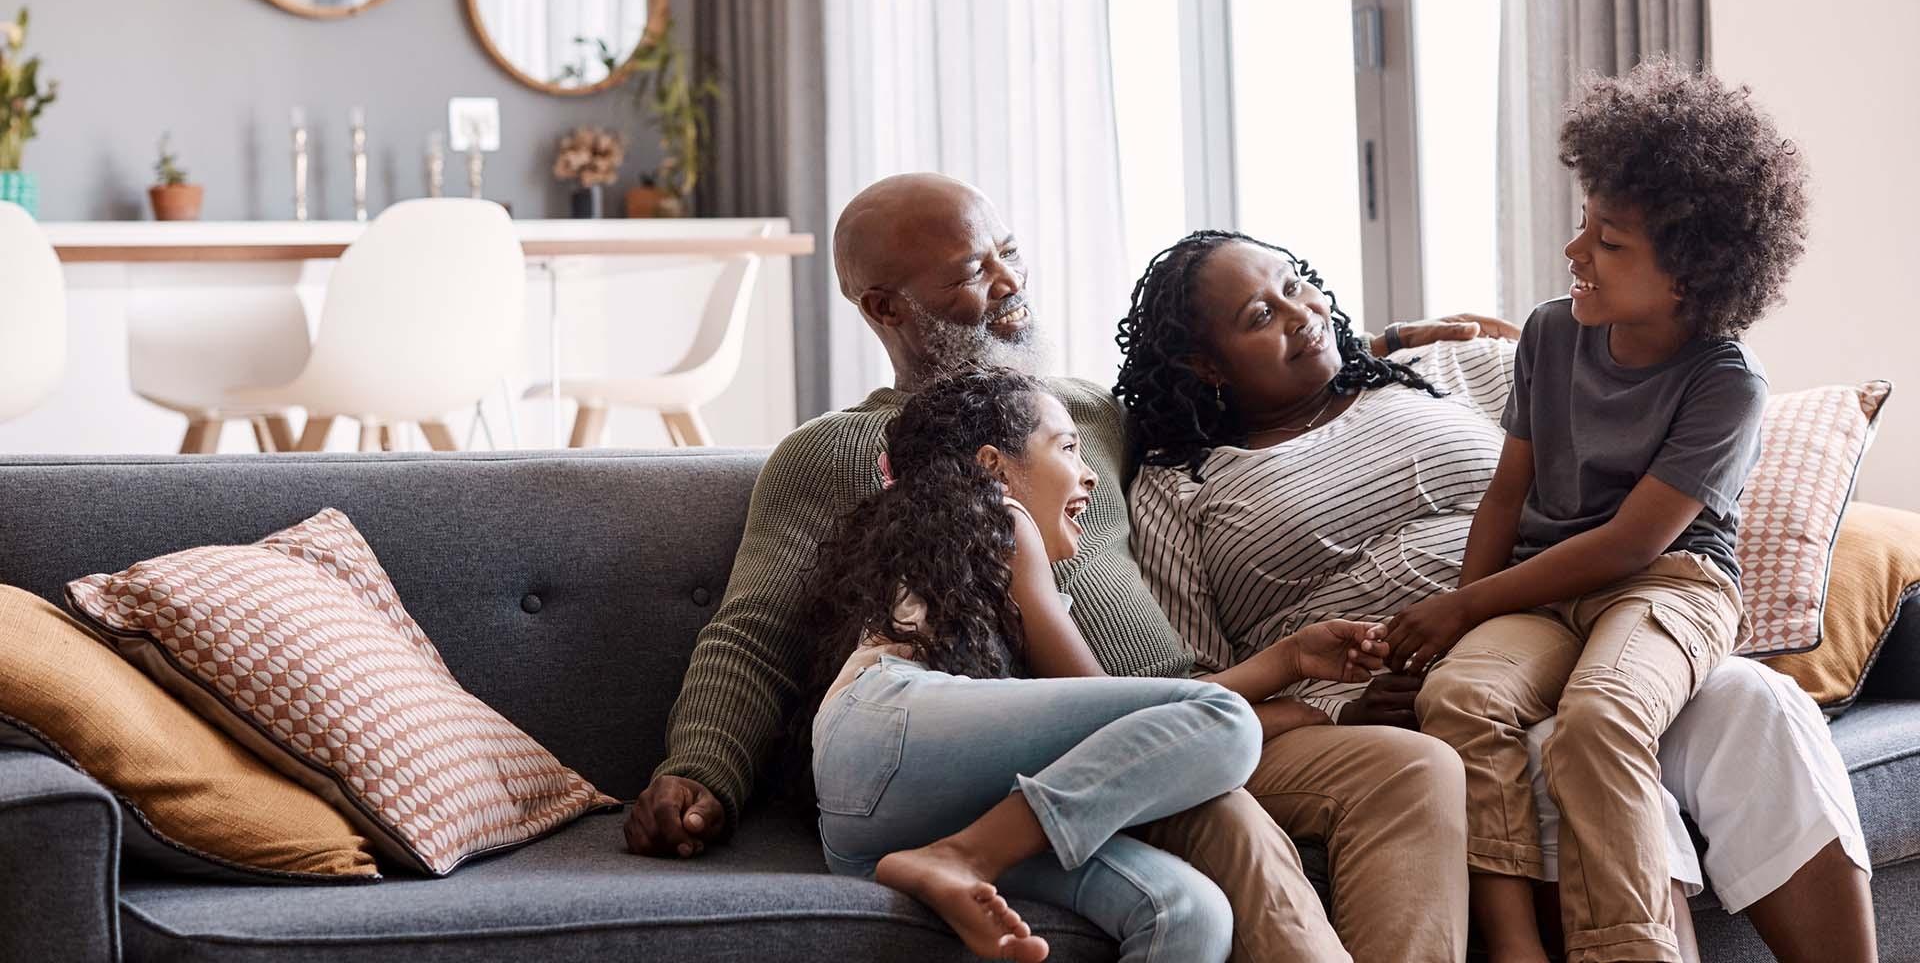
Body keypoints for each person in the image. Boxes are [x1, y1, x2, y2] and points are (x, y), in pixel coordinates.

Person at [627, 171, 1485, 962]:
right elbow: (752, 635)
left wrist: (1382, 339)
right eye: (973, 270)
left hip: (1181, 713)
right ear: (886, 307)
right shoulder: (830, 452)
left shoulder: (1087, 412)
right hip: (1027, 756)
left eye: (1011, 254)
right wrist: (700, 767)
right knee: (1220, 809)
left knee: (1413, 769)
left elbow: (1212, 372)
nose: (1010, 284)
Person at [1117, 224, 1870, 963]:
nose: (1300, 315)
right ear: (1202, 364)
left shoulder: (1437, 374)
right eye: (1260, 318)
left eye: (1296, 285)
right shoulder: (1180, 483)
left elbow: (1586, 358)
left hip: (1589, 616)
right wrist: (1339, 708)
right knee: (1561, 760)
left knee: (1756, 702)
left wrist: (1396, 339)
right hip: (1430, 689)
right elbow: (1195, 700)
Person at [796, 366, 1391, 962]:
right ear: (993, 467)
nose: (1088, 476)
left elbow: (1139, 732)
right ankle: (965, 857)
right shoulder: (1005, 520)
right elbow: (1122, 704)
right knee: (1224, 720)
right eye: (1068, 447)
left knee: (1185, 911)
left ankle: (961, 853)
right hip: (885, 723)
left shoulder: (965, 571)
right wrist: (1283, 681)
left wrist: (1293, 672)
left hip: (877, 828)